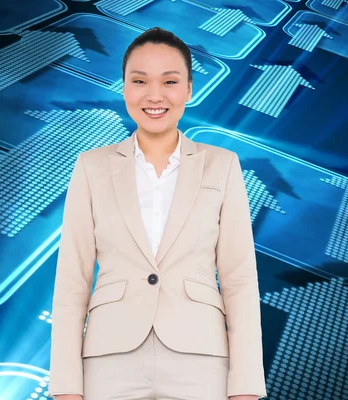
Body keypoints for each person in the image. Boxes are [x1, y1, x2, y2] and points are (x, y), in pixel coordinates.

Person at [47, 27, 267, 400]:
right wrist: (66, 386)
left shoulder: (223, 165)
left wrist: (245, 385)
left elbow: (239, 279)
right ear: (124, 88)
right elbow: (72, 279)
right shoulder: (91, 166)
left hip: (201, 356)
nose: (154, 95)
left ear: (189, 89)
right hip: (109, 356)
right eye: (139, 80)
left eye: (169, 81)